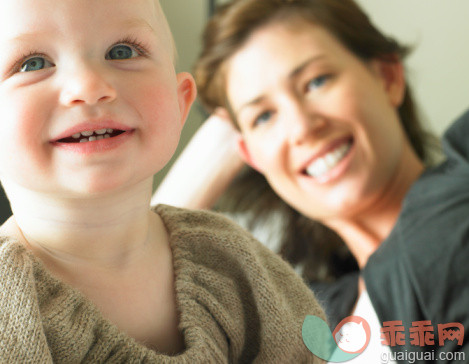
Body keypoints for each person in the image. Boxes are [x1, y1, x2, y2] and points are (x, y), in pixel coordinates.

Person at [0, 0, 325, 362]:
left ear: (180, 102)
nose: (89, 86)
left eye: (121, 51)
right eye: (33, 63)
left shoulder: (240, 266)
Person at [154, 0, 468, 361]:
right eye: (264, 116)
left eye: (317, 81)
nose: (302, 127)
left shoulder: (457, 203)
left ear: (388, 78)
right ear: (251, 156)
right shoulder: (311, 318)